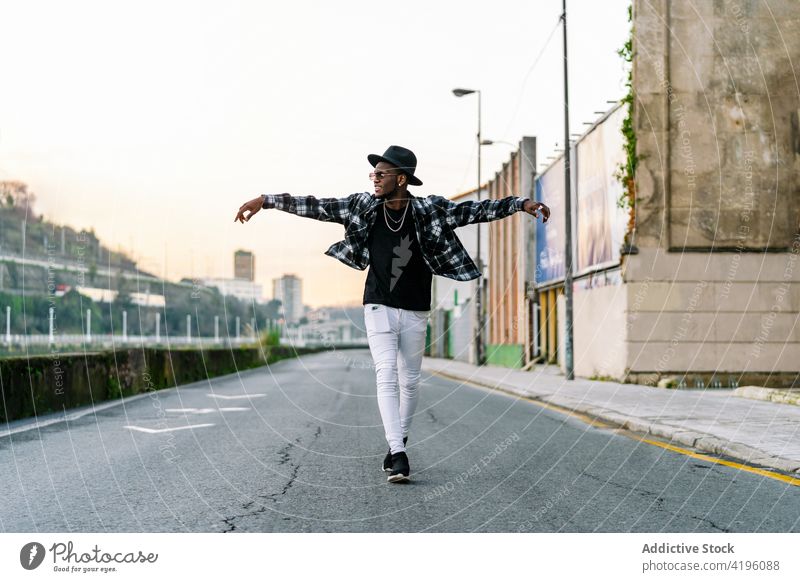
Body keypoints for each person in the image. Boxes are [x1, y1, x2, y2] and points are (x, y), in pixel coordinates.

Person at [234, 145, 549, 483]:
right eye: (373, 174)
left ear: (401, 179)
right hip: (377, 304)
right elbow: (317, 206)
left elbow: (474, 210)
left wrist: (521, 204)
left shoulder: (429, 210)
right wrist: (266, 200)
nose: (375, 179)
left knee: (410, 381)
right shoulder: (363, 206)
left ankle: (398, 439)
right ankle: (398, 453)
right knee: (385, 372)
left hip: (415, 308)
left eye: (380, 174)